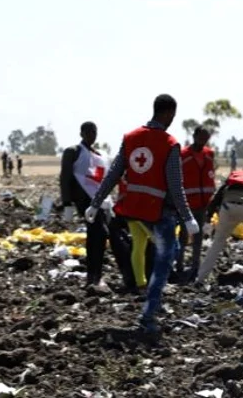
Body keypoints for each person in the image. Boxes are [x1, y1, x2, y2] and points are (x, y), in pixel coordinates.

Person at [86, 94, 200, 334]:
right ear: (169, 113)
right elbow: (175, 185)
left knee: (148, 248)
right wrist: (188, 217)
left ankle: (145, 295)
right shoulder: (170, 144)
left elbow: (113, 174)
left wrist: (95, 203)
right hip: (158, 212)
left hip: (132, 209)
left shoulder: (130, 139)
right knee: (163, 262)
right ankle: (148, 316)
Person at [59, 122, 134, 290]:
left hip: (101, 201)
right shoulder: (73, 152)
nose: (91, 135)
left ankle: (124, 276)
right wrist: (67, 203)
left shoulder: (99, 155)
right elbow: (65, 176)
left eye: (94, 132)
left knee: (112, 235)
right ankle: (94, 277)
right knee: (98, 234)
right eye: (88, 132)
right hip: (84, 201)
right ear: (82, 133)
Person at [177, 126, 216, 282]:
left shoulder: (209, 155)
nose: (203, 140)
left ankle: (195, 266)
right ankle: (178, 264)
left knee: (198, 236)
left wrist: (212, 201)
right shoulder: (183, 155)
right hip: (186, 202)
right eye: (201, 137)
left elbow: (210, 176)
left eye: (206, 138)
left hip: (203, 202)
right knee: (183, 235)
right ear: (194, 136)